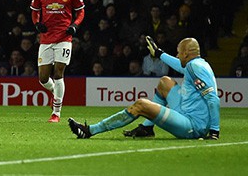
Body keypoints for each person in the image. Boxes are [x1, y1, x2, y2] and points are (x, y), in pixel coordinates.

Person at [68, 36, 220, 140]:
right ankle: (147, 128)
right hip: (186, 111)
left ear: (186, 53)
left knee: (141, 104)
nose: (178, 55)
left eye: (179, 52)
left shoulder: (195, 68)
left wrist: (214, 131)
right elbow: (179, 66)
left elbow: (213, 99)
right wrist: (159, 53)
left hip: (192, 126)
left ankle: (90, 130)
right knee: (165, 82)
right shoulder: (197, 64)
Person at [30, 0, 85, 123]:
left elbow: (81, 12)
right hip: (46, 39)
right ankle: (55, 93)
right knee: (43, 78)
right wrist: (37, 24)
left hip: (64, 38)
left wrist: (74, 26)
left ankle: (56, 113)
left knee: (59, 72)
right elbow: (34, 11)